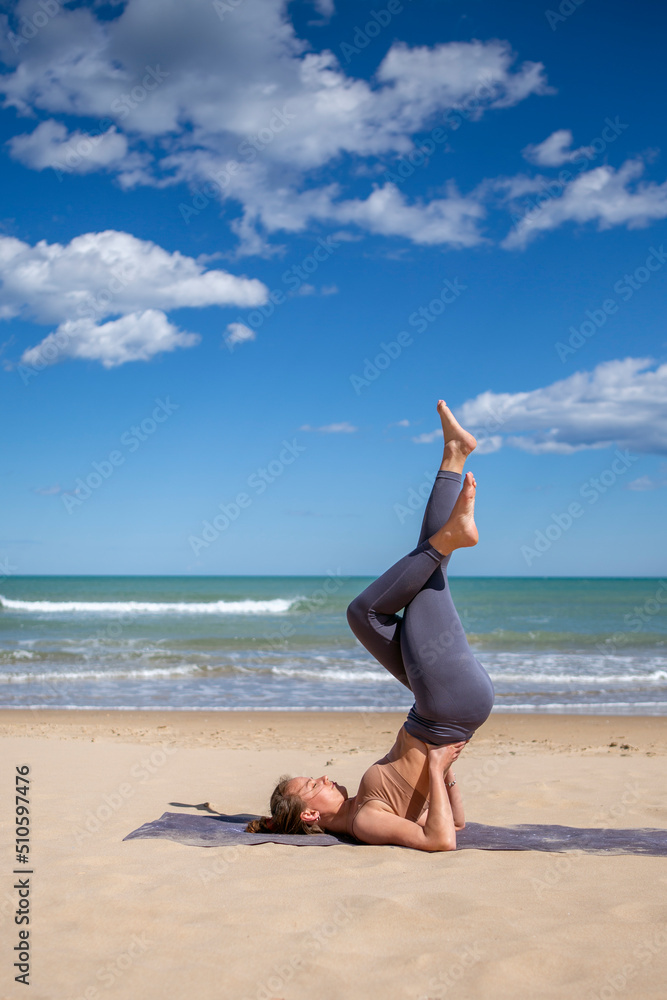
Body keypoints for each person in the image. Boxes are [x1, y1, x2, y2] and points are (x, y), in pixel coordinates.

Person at [246, 400, 495, 851]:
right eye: (312, 784)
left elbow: (457, 821)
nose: (324, 775)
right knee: (390, 594)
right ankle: (452, 486)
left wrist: (447, 777)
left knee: (372, 611)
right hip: (445, 704)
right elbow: (441, 841)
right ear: (309, 813)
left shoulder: (364, 802)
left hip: (443, 703)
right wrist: (436, 770)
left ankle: (454, 461)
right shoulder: (364, 822)